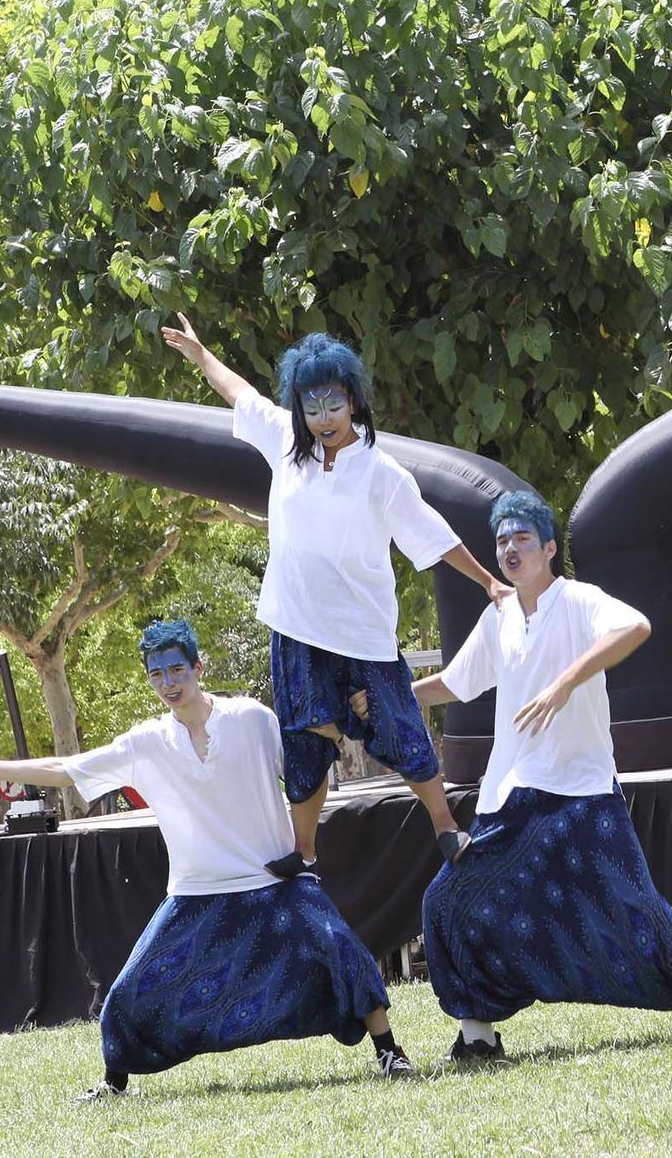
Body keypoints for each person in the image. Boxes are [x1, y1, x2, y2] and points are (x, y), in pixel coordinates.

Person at [0, 620, 414, 1098]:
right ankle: (114, 1083)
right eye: (157, 674)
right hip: (196, 893)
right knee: (129, 994)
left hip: (273, 880)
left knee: (343, 952)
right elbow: (67, 769)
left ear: (199, 668)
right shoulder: (146, 743)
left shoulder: (253, 719)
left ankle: (389, 1052)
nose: (168, 683)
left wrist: (303, 845)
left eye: (176, 670)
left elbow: (308, 775)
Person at [410, 491, 672, 1066]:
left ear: (549, 548)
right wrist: (389, 697)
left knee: (632, 901)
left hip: (583, 791)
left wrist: (565, 682)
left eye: (523, 538)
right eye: (502, 541)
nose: (510, 548)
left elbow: (635, 626)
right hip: (511, 794)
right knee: (449, 901)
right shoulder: (497, 615)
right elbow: (456, 683)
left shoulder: (578, 600)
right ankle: (478, 1034)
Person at [161, 316, 511, 871]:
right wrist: (200, 354)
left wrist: (491, 582)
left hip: (362, 632)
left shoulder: (381, 471)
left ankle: (446, 827)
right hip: (296, 626)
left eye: (333, 405)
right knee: (304, 741)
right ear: (299, 408)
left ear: (353, 402)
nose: (323, 418)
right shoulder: (284, 443)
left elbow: (433, 535)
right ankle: (304, 852)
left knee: (399, 726)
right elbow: (240, 393)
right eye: (312, 407)